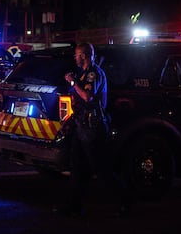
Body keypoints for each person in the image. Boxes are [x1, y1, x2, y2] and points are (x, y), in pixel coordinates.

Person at [53, 42, 134, 218]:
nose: (75, 58)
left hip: (93, 128)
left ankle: (126, 202)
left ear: (83, 55)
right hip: (81, 126)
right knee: (77, 168)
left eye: (76, 55)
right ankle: (74, 206)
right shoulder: (83, 74)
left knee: (101, 169)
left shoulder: (94, 73)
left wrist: (73, 82)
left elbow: (88, 97)